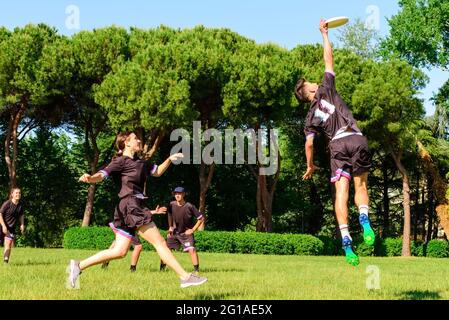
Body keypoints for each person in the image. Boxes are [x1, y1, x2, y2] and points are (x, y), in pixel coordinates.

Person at [67, 132, 207, 288]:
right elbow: (102, 175)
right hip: (130, 205)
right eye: (135, 139)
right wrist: (90, 178)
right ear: (126, 143)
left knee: (119, 252)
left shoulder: (142, 162)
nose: (139, 140)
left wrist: (169, 159)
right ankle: (185, 277)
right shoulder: (120, 161)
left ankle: (78, 266)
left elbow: (158, 172)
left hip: (133, 206)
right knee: (160, 242)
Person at [295, 19, 375, 266]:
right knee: (361, 187)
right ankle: (364, 218)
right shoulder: (326, 89)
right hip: (356, 138)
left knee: (341, 192)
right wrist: (325, 34)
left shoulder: (309, 118)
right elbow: (329, 59)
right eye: (311, 84)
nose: (315, 83)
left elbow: (309, 144)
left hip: (338, 147)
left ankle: (346, 239)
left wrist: (310, 165)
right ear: (308, 92)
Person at [160, 187, 205, 274]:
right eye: (176, 194)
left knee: (192, 250)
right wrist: (170, 227)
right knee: (165, 250)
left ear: (183, 194)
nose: (177, 195)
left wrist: (193, 229)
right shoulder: (171, 204)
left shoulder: (189, 206)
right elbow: (169, 214)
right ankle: (161, 270)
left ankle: (196, 271)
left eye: (179, 193)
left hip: (186, 233)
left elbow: (201, 218)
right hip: (175, 232)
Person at [0, 188, 25, 263]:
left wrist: (22, 224)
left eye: (19, 193)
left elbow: (21, 215)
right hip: (1, 225)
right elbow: (0, 214)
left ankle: (5, 261)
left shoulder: (20, 205)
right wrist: (4, 226)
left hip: (11, 228)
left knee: (8, 243)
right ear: (12, 194)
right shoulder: (7, 203)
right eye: (16, 193)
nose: (18, 194)